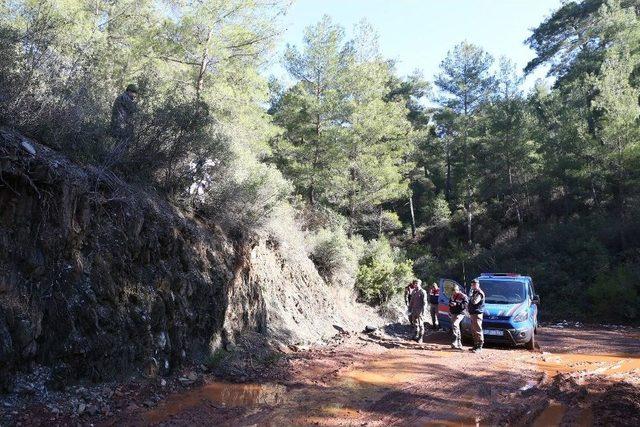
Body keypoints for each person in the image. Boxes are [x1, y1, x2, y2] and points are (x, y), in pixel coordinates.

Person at [110, 83, 139, 159]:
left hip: (118, 124)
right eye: (134, 93)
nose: (134, 95)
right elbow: (134, 111)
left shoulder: (122, 97)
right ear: (129, 91)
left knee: (119, 144)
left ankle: (114, 159)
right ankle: (116, 160)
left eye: (135, 93)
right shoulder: (125, 98)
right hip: (121, 125)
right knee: (122, 145)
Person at [468, 279, 485, 353]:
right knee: (473, 330)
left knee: (478, 330)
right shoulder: (474, 292)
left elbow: (475, 302)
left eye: (474, 284)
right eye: (472, 285)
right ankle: (475, 345)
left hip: (477, 314)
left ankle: (479, 346)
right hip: (472, 313)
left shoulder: (479, 293)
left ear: (478, 285)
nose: (473, 286)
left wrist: (470, 295)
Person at [449, 284, 468, 350]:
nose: (453, 292)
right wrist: (450, 308)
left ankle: (454, 341)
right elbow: (450, 303)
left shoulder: (463, 296)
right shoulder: (452, 296)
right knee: (456, 327)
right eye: (453, 290)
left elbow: (465, 305)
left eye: (455, 290)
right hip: (453, 313)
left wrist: (457, 304)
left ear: (458, 290)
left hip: (460, 313)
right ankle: (459, 343)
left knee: (455, 325)